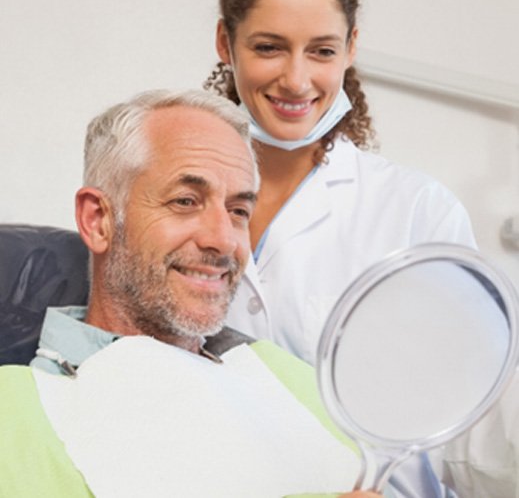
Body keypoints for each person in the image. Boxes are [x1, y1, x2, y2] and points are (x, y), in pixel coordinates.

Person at [0, 89, 383, 498]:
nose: (223, 239)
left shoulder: (293, 379)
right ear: (98, 221)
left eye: (238, 210)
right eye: (185, 201)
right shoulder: (15, 411)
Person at [205, 0, 477, 367]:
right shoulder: (170, 195)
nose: (296, 80)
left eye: (322, 51)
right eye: (269, 47)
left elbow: (461, 387)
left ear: (350, 47)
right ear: (225, 43)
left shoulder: (419, 215)